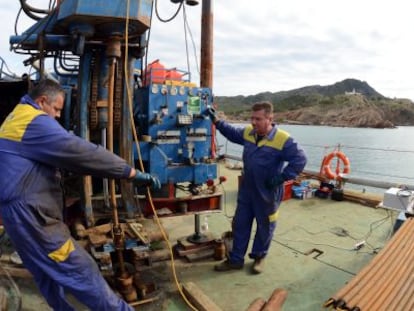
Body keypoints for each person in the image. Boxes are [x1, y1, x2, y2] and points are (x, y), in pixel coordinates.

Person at [0, 79, 160, 310]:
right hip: (31, 216)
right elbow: (80, 152)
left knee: (45, 273)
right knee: (80, 269)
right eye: (56, 109)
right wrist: (130, 172)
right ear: (42, 101)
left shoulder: (15, 116)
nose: (56, 116)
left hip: (16, 214)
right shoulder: (34, 122)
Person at [207, 101, 307, 274]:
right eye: (252, 118)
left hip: (268, 193)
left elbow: (300, 159)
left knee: (265, 226)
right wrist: (216, 121)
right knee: (240, 224)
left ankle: (259, 257)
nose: (253, 122)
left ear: (270, 118)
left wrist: (282, 177)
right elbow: (232, 133)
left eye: (258, 119)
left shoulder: (282, 139)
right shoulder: (248, 133)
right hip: (247, 190)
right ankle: (236, 260)